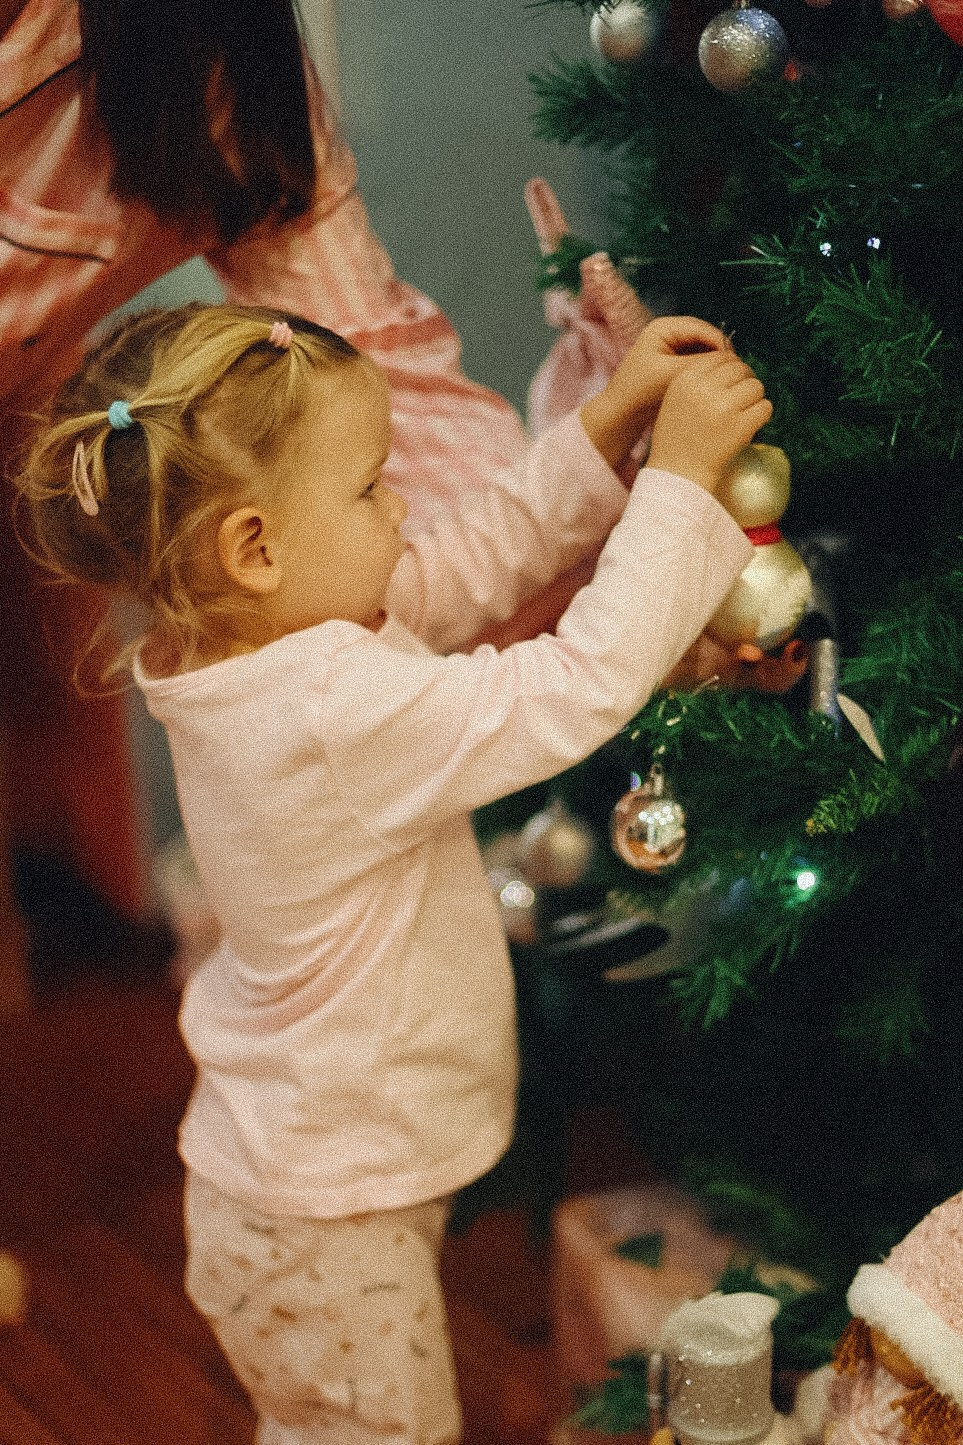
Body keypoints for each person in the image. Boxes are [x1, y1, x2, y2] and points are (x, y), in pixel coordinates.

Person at [17, 299, 768, 1444]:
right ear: (255, 546)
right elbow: (569, 687)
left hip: (309, 1179)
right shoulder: (323, 706)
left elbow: (464, 566)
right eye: (370, 489)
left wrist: (605, 426)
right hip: (327, 1213)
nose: (401, 505)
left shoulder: (253, 644)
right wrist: (680, 486)